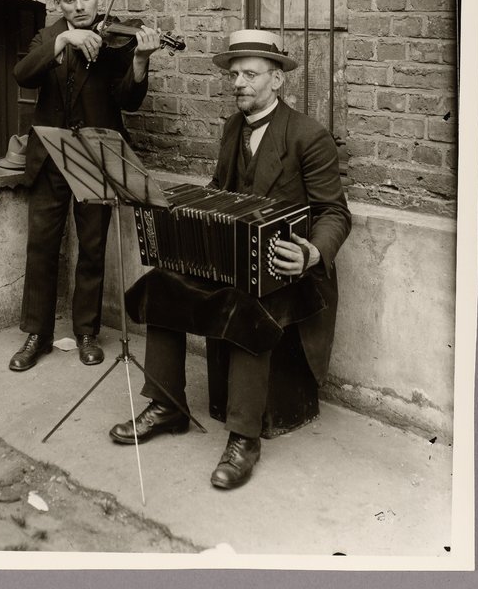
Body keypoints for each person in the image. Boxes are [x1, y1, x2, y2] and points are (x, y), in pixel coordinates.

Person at [109, 29, 352, 490]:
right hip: (238, 260)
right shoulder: (231, 128)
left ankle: (244, 438)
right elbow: (222, 192)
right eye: (234, 74)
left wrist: (311, 251)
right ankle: (167, 405)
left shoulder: (308, 136)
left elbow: (335, 212)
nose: (238, 83)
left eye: (250, 74)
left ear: (277, 80)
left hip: (290, 271)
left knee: (248, 301)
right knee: (164, 280)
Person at [9, 0, 162, 372]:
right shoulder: (49, 36)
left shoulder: (116, 40)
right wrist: (62, 43)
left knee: (92, 248)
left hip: (96, 159)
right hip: (49, 160)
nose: (80, 6)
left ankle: (87, 332)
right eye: (70, 0)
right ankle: (37, 334)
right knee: (41, 247)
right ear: (59, 3)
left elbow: (128, 100)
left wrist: (141, 61)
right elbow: (23, 75)